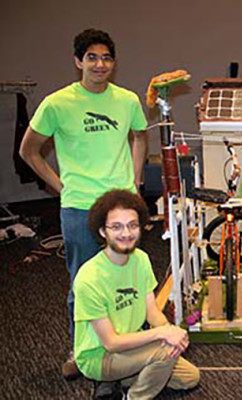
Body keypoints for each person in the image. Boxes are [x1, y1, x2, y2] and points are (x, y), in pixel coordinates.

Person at [19, 29, 148, 379]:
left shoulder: (127, 100)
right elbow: (28, 150)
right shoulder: (57, 103)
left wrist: (135, 183)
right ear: (78, 62)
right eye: (91, 57)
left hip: (120, 206)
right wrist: (59, 186)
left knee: (125, 276)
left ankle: (125, 341)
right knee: (84, 281)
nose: (100, 64)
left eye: (106, 57)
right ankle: (81, 351)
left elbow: (139, 136)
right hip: (78, 207)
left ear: (114, 62)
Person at [74, 189, 200, 399]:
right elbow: (111, 343)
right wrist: (162, 334)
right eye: (116, 226)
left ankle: (121, 378)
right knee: (163, 354)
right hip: (100, 356)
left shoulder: (140, 259)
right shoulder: (89, 278)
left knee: (190, 377)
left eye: (132, 225)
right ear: (103, 232)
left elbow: (151, 312)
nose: (126, 233)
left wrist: (171, 332)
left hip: (130, 345)